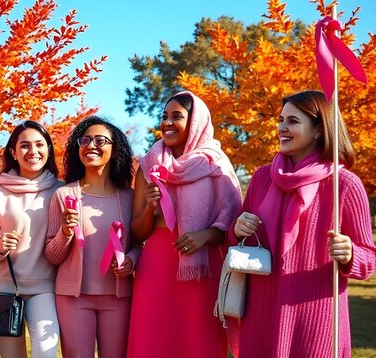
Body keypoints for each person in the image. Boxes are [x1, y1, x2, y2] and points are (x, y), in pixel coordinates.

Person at [230, 90, 376, 357]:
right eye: (281, 119)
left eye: (293, 121)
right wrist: (237, 228)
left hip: (316, 320)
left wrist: (351, 254)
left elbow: (369, 260)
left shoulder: (345, 185)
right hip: (261, 315)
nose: (281, 127)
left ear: (319, 130)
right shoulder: (262, 178)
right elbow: (240, 242)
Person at [127, 91, 242, 358]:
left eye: (176, 116)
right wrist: (148, 207)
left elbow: (232, 220)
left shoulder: (216, 163)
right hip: (156, 264)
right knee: (152, 339)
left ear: (196, 122)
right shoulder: (149, 166)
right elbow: (138, 231)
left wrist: (205, 235)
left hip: (203, 266)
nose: (167, 122)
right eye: (164, 116)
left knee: (198, 340)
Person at [44, 116, 139, 358]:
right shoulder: (63, 194)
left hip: (119, 298)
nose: (90, 145)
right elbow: (52, 256)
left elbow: (140, 243)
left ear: (115, 150)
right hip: (73, 299)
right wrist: (65, 232)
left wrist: (131, 260)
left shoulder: (130, 197)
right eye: (84, 140)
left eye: (100, 140)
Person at [0, 120, 63, 358]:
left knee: (46, 354)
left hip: (44, 286)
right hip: (3, 288)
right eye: (24, 145)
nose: (33, 151)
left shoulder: (61, 189)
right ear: (13, 152)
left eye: (39, 144)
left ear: (48, 148)